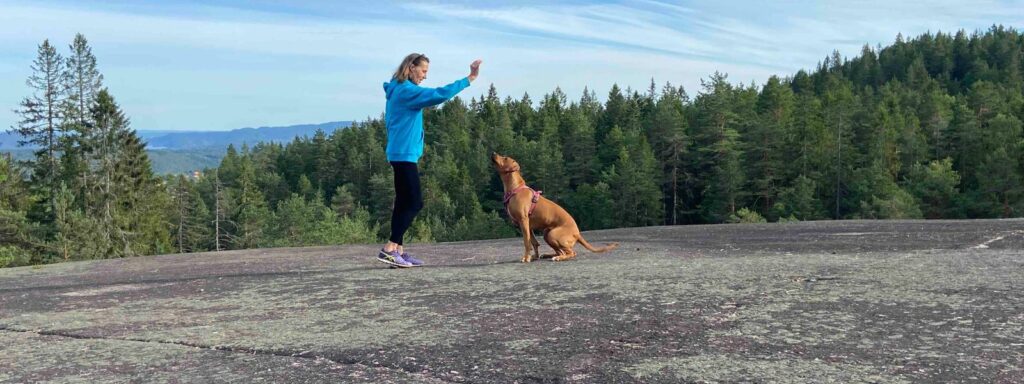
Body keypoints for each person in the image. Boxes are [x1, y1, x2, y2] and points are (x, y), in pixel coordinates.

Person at [377, 53, 481, 268]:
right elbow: (438, 95)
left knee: (403, 202)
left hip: (400, 153)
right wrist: (469, 79)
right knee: (415, 202)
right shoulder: (406, 91)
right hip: (404, 154)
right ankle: (389, 248)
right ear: (411, 67)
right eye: (423, 71)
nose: (425, 76)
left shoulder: (398, 89)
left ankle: (398, 251)